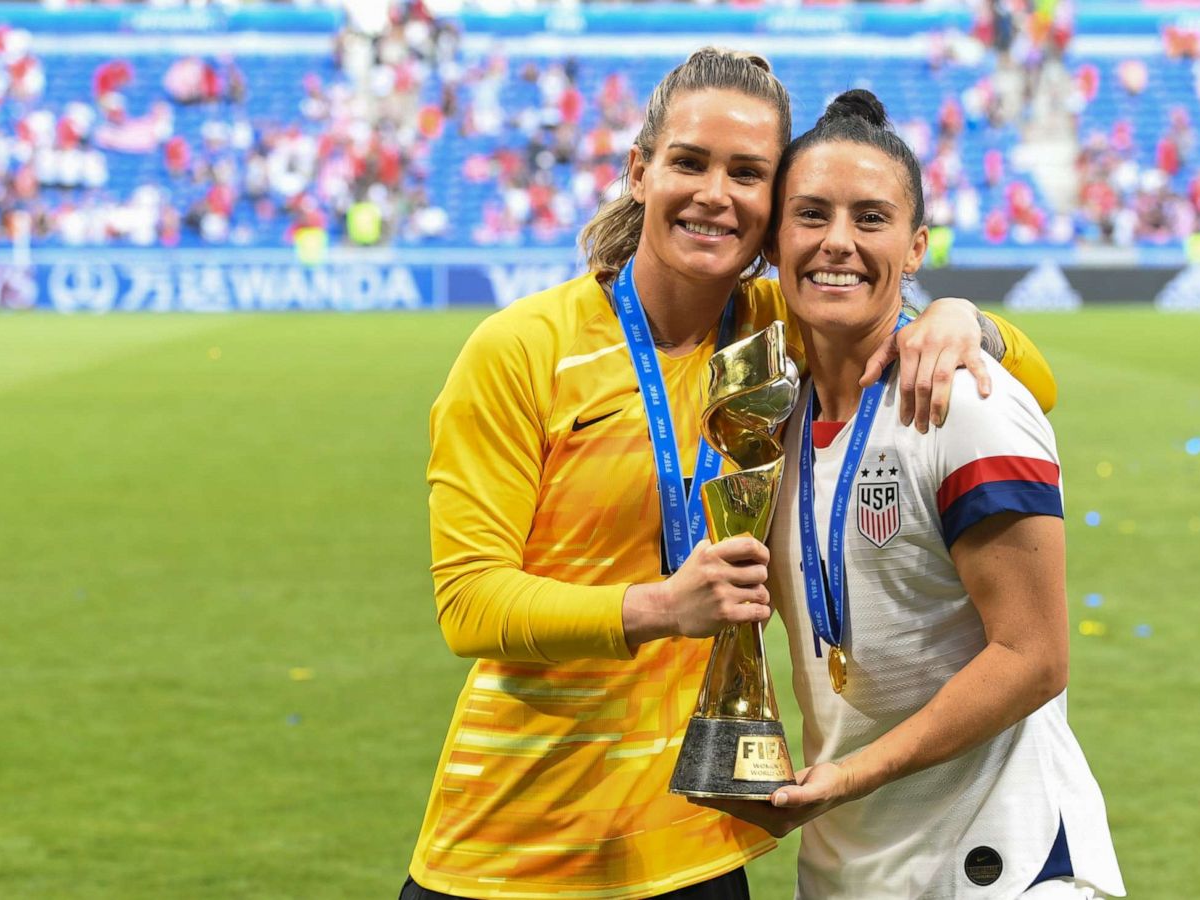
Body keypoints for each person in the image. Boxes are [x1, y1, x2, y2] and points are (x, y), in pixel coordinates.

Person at [406, 51, 1059, 900]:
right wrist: (662, 608)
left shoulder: (777, 333)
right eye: (690, 162)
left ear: (771, 207)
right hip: (517, 844)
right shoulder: (522, 351)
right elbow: (468, 602)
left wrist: (960, 320)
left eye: (747, 173)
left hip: (697, 847)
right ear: (640, 172)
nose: (716, 193)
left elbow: (1029, 389)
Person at [697, 90, 1124, 898]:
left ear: (917, 244)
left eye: (871, 218)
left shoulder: (964, 404)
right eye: (812, 215)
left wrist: (850, 775)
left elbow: (1034, 658)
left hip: (1002, 864)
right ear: (774, 239)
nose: (838, 244)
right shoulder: (765, 428)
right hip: (846, 870)